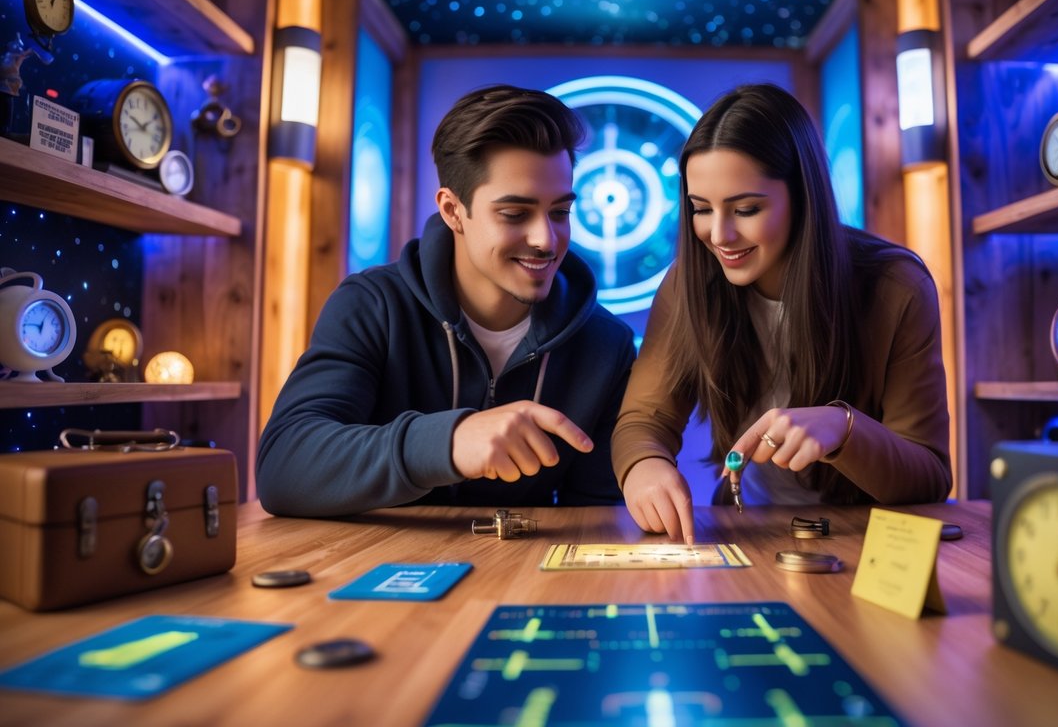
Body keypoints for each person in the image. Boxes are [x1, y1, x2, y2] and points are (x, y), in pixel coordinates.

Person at [257, 85, 636, 516]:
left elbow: (593, 518)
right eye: (514, 214)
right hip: (372, 575)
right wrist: (450, 442)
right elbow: (283, 467)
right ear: (453, 211)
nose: (545, 239)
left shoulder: (607, 345)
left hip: (522, 580)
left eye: (559, 213)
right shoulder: (372, 306)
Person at [612, 83, 951, 544]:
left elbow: (929, 476)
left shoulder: (896, 287)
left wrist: (843, 427)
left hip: (865, 539)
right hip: (745, 530)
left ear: (802, 197)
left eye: (746, 209)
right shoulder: (687, 281)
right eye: (700, 209)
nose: (719, 234)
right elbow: (643, 421)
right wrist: (644, 466)